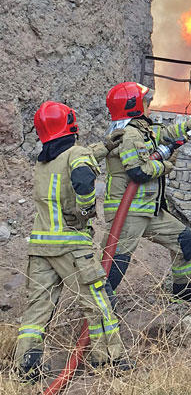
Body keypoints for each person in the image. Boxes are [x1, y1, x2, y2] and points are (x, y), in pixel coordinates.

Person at [15, 101, 131, 382]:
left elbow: (75, 160)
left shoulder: (44, 162)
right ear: (70, 123)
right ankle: (110, 360)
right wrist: (87, 208)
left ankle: (26, 368)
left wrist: (105, 146)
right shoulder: (76, 154)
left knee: (37, 310)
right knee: (98, 302)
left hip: (40, 247)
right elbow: (82, 175)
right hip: (71, 246)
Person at [102, 81, 191, 304]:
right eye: (146, 103)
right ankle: (100, 306)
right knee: (116, 261)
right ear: (133, 106)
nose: (149, 106)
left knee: (184, 240)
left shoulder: (143, 130)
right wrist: (166, 166)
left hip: (147, 210)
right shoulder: (129, 135)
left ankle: (184, 291)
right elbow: (138, 172)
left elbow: (167, 134)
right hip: (128, 212)